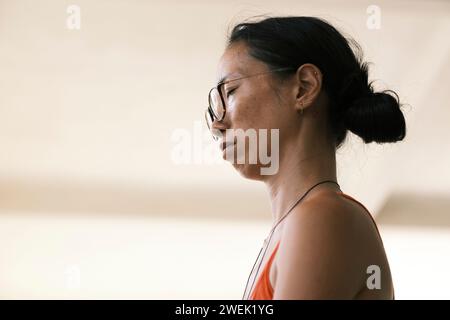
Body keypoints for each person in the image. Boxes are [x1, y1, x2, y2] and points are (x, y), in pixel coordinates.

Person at [204, 16, 405, 300]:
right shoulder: (295, 226)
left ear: (304, 87)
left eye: (232, 91)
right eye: (215, 105)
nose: (217, 124)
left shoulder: (323, 216)